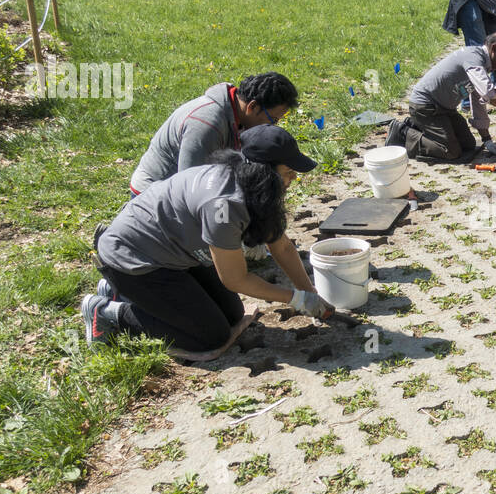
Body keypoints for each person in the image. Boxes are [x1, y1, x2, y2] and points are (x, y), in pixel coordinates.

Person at [84, 125, 332, 354]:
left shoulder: (248, 181)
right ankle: (108, 312)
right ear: (263, 172)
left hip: (174, 252)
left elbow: (282, 246)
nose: (293, 179)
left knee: (233, 314)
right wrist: (296, 299)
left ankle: (120, 291)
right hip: (135, 259)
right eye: (288, 173)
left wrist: (309, 291)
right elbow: (235, 279)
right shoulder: (223, 205)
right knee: (209, 336)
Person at [129, 72, 299, 197]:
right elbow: (190, 187)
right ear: (252, 106)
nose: (271, 126)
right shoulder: (206, 125)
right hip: (153, 195)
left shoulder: (237, 114)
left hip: (192, 186)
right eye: (273, 119)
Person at [389, 33, 496, 161]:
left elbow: (479, 102)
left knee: (468, 145)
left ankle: (420, 127)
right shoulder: (474, 59)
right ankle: (403, 133)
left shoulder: (481, 65)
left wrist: (487, 140)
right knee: (450, 151)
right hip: (425, 107)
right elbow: (489, 93)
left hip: (444, 109)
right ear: (494, 49)